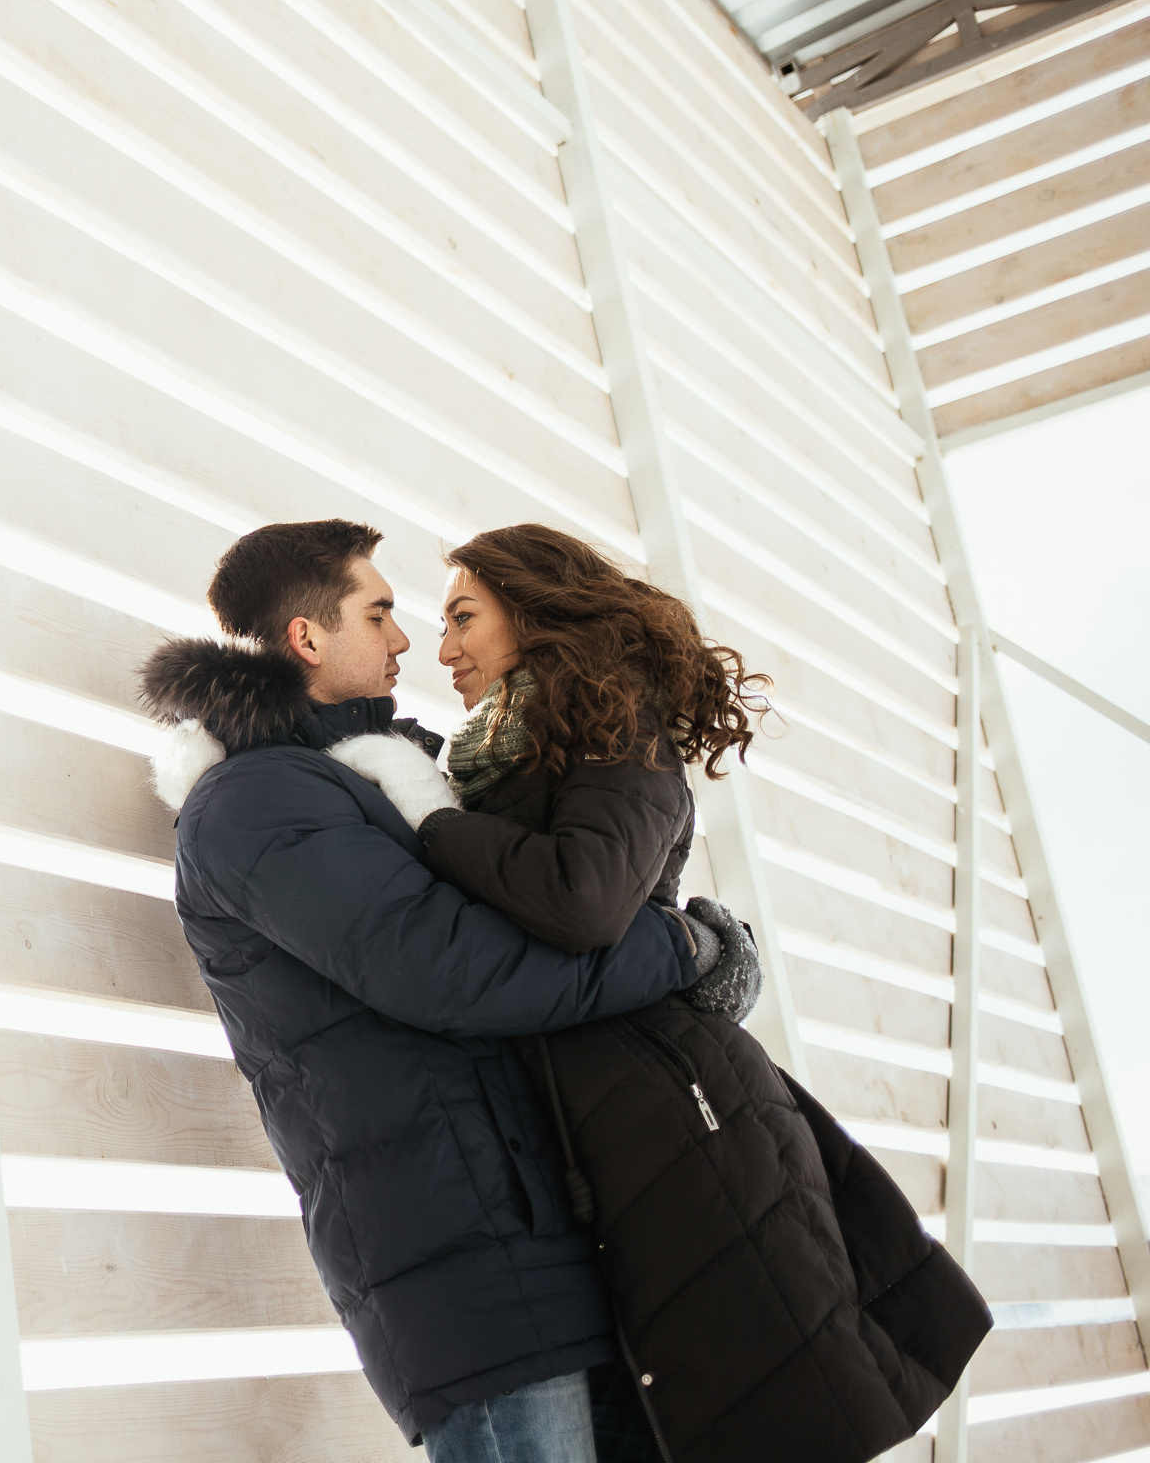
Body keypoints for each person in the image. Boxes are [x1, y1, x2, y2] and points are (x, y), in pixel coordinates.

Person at [332, 524, 990, 1463]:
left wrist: (430, 813)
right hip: (619, 1121)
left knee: (751, 1406)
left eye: (465, 618)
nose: (443, 651)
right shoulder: (512, 754)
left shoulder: (619, 730)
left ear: (540, 610)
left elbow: (584, 898)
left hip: (683, 1121)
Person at [140, 519, 752, 1462]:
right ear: (307, 637)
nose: (403, 642)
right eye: (377, 613)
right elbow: (460, 971)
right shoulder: (256, 806)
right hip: (468, 1270)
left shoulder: (385, 777)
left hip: (550, 1239)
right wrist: (681, 952)